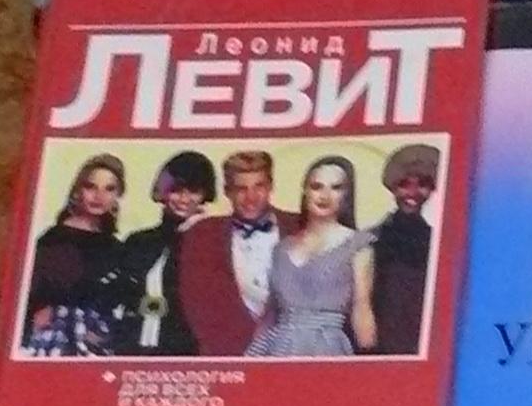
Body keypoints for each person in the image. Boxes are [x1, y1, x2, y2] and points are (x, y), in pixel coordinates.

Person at [248, 156, 376, 356]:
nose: (325, 195)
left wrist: (370, 359)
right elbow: (270, 313)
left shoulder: (358, 245)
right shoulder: (281, 249)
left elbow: (362, 309)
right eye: (317, 187)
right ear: (305, 191)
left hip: (326, 348)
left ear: (346, 195)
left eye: (336, 188)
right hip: (276, 347)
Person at [176, 149, 296, 357]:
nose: (251, 197)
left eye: (259, 186)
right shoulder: (202, 234)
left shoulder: (300, 226)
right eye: (241, 189)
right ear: (227, 191)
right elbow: (195, 304)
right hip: (228, 353)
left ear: (271, 186)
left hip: (293, 351)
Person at [111, 150, 216, 356]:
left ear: (204, 195)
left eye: (193, 191)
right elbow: (121, 294)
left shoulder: (212, 243)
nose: (184, 199)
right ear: (164, 192)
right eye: (176, 190)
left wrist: (196, 233)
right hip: (132, 347)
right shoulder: (139, 241)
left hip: (186, 351)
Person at [22, 153, 125, 357]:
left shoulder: (115, 247)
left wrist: (104, 332)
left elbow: (115, 298)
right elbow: (31, 290)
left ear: (117, 195)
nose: (99, 196)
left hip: (96, 339)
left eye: (109, 189)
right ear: (78, 191)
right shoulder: (53, 239)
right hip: (52, 336)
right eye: (90, 186)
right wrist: (38, 312)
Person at [367, 143, 440, 356]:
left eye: (422, 185)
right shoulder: (373, 238)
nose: (413, 193)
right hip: (379, 339)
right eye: (404, 184)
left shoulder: (436, 240)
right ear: (393, 187)